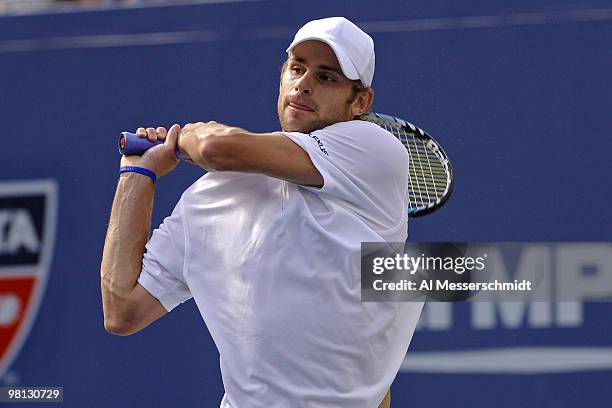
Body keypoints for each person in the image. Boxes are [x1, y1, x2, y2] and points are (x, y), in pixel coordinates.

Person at [101, 16, 423, 408]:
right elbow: (122, 310)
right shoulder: (206, 199)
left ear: (360, 102)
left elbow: (219, 148)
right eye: (297, 68)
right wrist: (138, 173)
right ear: (282, 74)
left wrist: (180, 138)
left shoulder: (375, 149)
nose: (303, 83)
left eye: (326, 78)